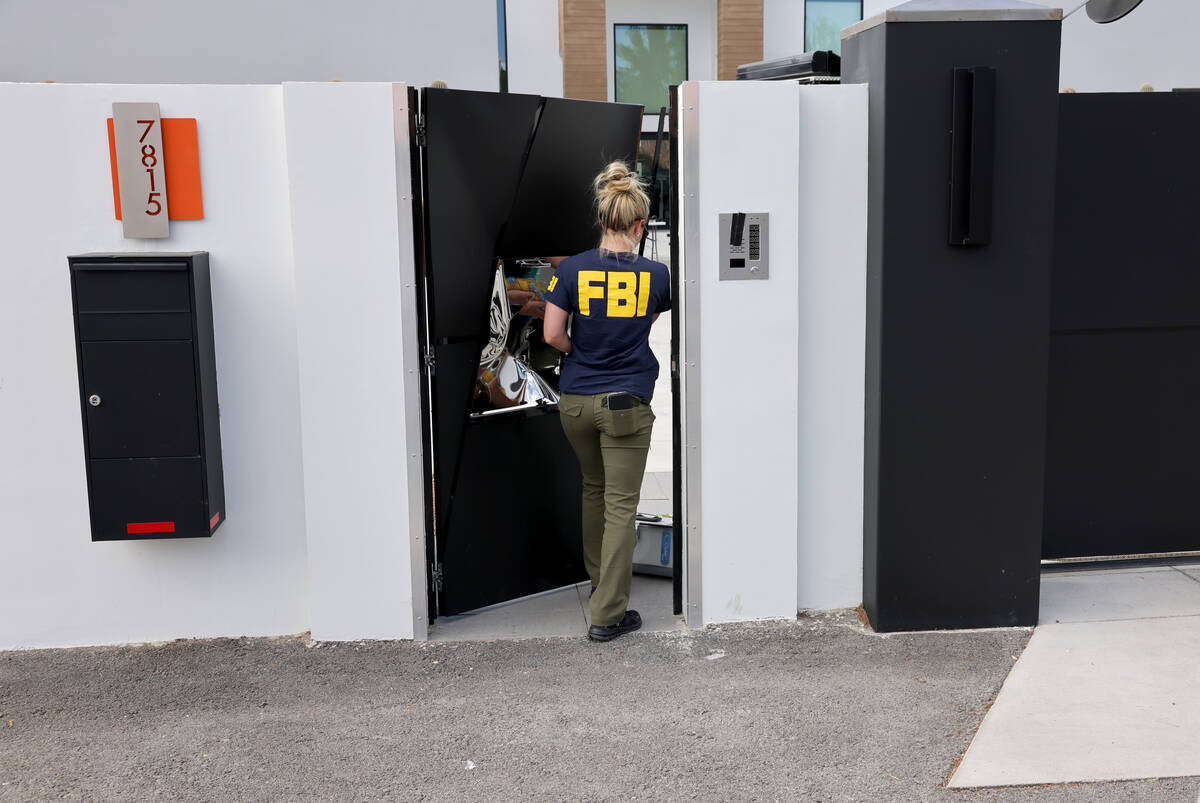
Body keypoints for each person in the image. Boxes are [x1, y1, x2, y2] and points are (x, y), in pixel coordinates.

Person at [543, 161, 671, 642]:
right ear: (640, 226)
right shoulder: (657, 274)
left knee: (593, 492)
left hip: (576, 402)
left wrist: (581, 350)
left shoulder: (573, 269)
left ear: (602, 221)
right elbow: (651, 319)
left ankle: (601, 586)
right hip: (625, 406)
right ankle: (608, 614)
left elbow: (553, 334)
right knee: (621, 504)